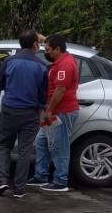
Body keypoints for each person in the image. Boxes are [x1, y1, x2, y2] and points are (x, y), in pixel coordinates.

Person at [0, 29, 48, 198]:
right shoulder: (42, 66)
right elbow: (43, 95)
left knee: (4, 146)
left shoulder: (9, 61)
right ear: (35, 45)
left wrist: (11, 85)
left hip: (9, 110)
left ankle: (2, 181)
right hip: (30, 113)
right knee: (24, 151)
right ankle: (19, 189)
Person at [29, 33, 80, 192]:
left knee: (60, 147)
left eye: (49, 50)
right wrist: (43, 38)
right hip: (54, 112)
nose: (46, 52)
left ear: (58, 49)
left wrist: (49, 111)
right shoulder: (63, 57)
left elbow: (60, 89)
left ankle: (60, 181)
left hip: (60, 112)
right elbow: (55, 42)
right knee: (42, 142)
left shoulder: (65, 64)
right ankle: (41, 175)